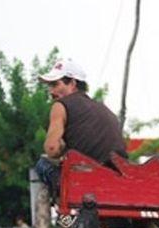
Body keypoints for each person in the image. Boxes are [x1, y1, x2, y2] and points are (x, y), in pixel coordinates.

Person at [35, 58, 127, 200]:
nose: (51, 91)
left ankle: (64, 192)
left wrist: (62, 148)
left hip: (86, 179)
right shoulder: (106, 110)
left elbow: (52, 149)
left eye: (55, 84)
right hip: (119, 177)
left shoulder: (61, 105)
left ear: (72, 84)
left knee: (42, 164)